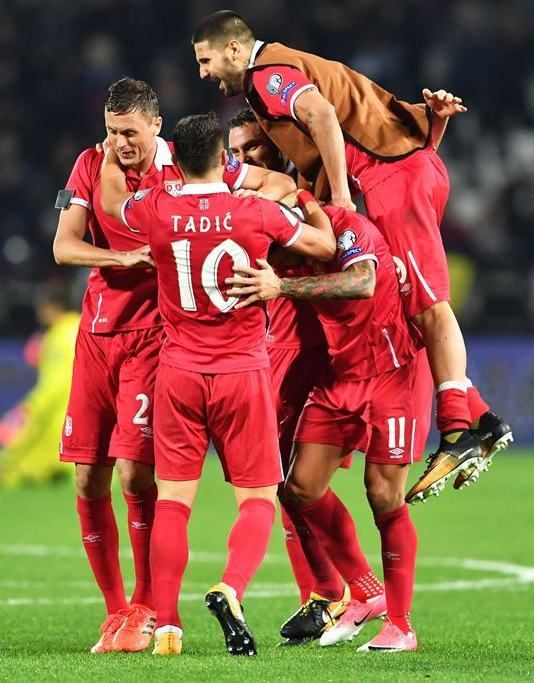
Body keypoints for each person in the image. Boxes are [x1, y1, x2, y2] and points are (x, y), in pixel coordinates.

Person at [191, 11, 513, 502]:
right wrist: (432, 126)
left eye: (206, 60)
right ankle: (481, 416)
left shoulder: (265, 76)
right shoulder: (287, 72)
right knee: (410, 304)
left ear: (234, 48)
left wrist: (341, 195)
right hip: (403, 169)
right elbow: (363, 111)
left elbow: (323, 115)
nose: (203, 73)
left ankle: (454, 433)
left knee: (428, 305)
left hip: (391, 180)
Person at [52, 77, 296, 655]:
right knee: (87, 477)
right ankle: (116, 612)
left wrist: (266, 201)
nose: (120, 144)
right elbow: (64, 245)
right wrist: (119, 256)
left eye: (130, 133)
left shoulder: (182, 171)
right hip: (97, 333)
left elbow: (273, 183)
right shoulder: (90, 162)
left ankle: (146, 608)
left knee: (138, 476)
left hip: (157, 340)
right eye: (113, 133)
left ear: (155, 126)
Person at [100, 112, 336, 656]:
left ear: (174, 159)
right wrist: (310, 207)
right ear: (224, 160)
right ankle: (231, 588)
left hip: (178, 373)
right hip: (243, 372)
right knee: (257, 499)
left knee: (174, 505)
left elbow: (114, 203)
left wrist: (113, 155)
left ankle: (167, 626)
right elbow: (323, 249)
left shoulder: (157, 208)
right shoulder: (256, 211)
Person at [227, 191, 424, 652]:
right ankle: (364, 591)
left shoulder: (345, 227)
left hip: (394, 373)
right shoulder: (282, 255)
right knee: (299, 487)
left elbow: (360, 283)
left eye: (270, 248)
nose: (267, 260)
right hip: (342, 376)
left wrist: (283, 288)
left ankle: (400, 624)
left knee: (382, 494)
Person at [227, 109, 349, 645]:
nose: (243, 160)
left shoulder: (298, 196)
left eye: (252, 147)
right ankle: (324, 595)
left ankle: (336, 594)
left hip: (312, 349)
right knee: (287, 484)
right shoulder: (249, 200)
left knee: (291, 482)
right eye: (234, 152)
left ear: (276, 145)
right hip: (278, 345)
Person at [0, 283, 78, 488]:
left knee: (27, 467)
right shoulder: (83, 326)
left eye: (42, 308)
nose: (39, 314)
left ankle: (8, 470)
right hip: (87, 417)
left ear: (53, 308)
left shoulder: (59, 336)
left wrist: (32, 406)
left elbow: (55, 385)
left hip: (59, 417)